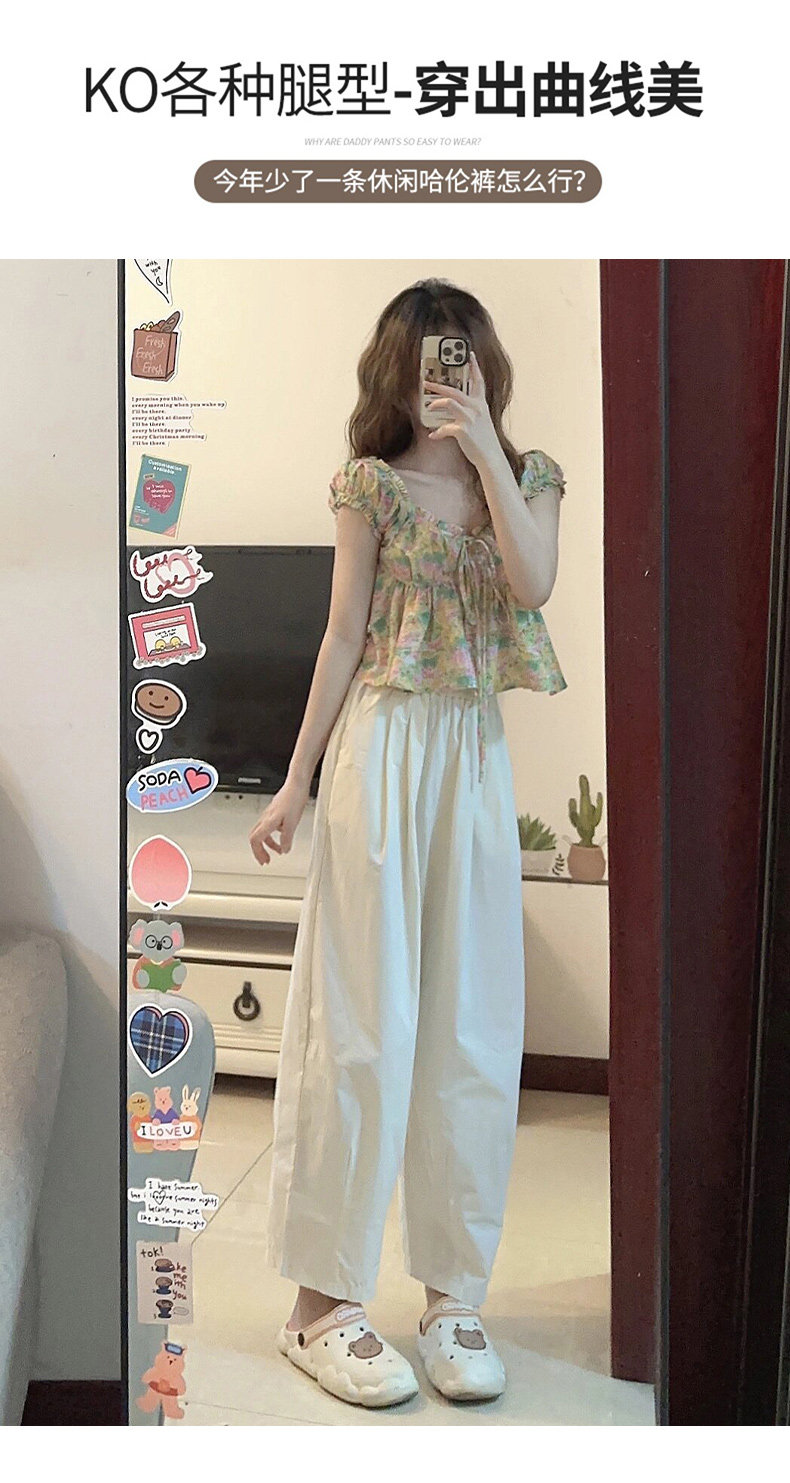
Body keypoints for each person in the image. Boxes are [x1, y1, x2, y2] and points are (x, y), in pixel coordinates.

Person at [249, 278, 567, 1409]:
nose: (449, 374)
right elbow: (341, 636)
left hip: (471, 753)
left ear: (486, 366)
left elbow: (533, 582)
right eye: (433, 357)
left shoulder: (528, 480)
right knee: (362, 1022)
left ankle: (450, 1296)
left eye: (464, 356)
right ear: (399, 367)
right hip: (380, 747)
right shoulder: (368, 485)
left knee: (472, 1024)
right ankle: (319, 1305)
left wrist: (484, 451)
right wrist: (296, 781)